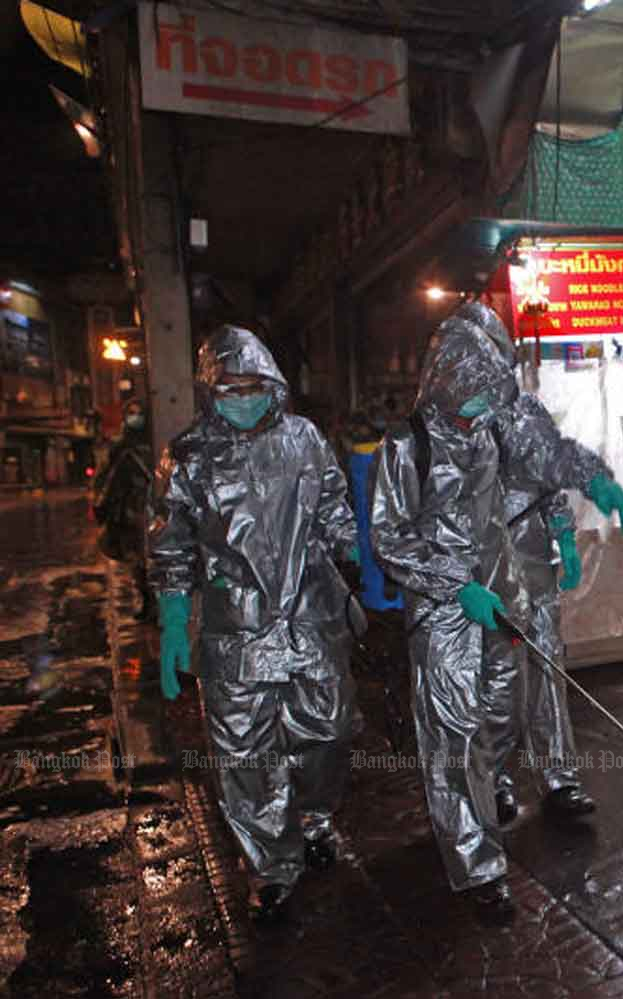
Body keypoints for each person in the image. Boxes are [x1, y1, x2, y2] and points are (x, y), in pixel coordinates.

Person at [370, 305, 623, 923]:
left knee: (501, 715)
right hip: (444, 616)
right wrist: (453, 583)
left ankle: (494, 800)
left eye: (494, 388)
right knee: (453, 740)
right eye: (478, 389)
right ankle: (477, 868)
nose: (488, 400)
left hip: (501, 602)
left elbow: (544, 455)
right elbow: (388, 539)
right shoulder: (406, 446)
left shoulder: (493, 429)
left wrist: (591, 479)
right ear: (447, 380)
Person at [147, 325, 361, 923]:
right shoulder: (186, 457)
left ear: (273, 386)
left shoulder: (305, 440)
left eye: (252, 387)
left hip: (310, 619)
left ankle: (314, 817)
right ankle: (270, 866)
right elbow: (170, 547)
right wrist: (172, 622)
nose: (242, 397)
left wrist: (353, 563)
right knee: (244, 753)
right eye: (229, 389)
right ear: (210, 391)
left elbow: (335, 509)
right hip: (234, 628)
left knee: (329, 732)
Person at [436, 302, 623, 824]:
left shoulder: (527, 413)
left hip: (530, 556)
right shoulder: (442, 427)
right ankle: (494, 778)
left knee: (545, 669)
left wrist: (564, 535)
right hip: (479, 567)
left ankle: (559, 777)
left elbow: (547, 479)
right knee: (495, 679)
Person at [94, 398, 154, 619]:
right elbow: (110, 480)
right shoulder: (121, 448)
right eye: (131, 413)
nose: (135, 417)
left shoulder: (157, 441)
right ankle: (147, 601)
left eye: (139, 413)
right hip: (131, 513)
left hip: (153, 509)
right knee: (137, 561)